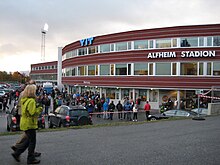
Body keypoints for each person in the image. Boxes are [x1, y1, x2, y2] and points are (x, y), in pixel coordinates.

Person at [11, 84, 43, 164]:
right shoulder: (31, 101)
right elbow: (33, 113)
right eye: (35, 90)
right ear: (32, 91)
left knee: (28, 140)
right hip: (30, 123)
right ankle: (30, 158)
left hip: (25, 122)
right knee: (32, 141)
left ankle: (17, 153)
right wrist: (39, 109)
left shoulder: (25, 99)